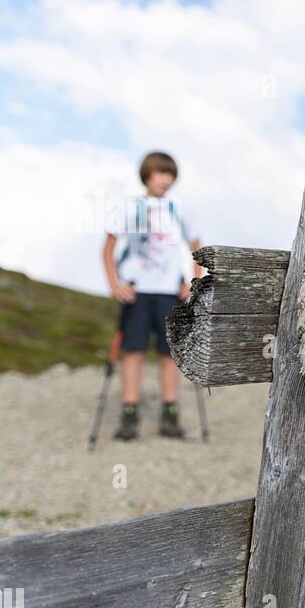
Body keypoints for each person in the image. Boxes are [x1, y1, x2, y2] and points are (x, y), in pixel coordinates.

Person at [102, 151, 202, 440]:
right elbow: (107, 248)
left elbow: (197, 247)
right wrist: (114, 283)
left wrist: (194, 283)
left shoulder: (178, 209)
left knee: (168, 352)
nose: (166, 179)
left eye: (170, 174)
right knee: (133, 350)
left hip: (170, 293)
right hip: (137, 292)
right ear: (147, 174)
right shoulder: (130, 208)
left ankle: (169, 411)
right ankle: (129, 411)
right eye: (161, 173)